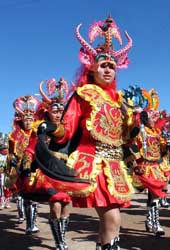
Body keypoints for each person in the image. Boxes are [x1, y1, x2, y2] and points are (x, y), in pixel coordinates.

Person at [41, 16, 135, 250]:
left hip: (114, 166)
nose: (107, 70)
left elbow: (124, 136)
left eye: (112, 66)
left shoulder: (119, 101)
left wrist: (135, 125)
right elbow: (67, 130)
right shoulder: (83, 94)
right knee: (112, 218)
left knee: (110, 221)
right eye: (103, 65)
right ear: (91, 67)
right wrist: (52, 128)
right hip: (92, 163)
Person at [22, 78, 72, 249]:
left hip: (66, 171)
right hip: (50, 172)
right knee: (56, 204)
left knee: (66, 205)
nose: (58, 113)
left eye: (61, 110)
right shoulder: (41, 128)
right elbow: (30, 148)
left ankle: (62, 238)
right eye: (54, 110)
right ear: (47, 111)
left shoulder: (69, 128)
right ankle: (59, 242)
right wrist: (27, 164)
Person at [130, 89, 169, 236]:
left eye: (155, 116)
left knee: (156, 196)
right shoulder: (140, 131)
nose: (155, 118)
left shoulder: (157, 132)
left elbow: (162, 151)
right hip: (143, 167)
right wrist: (136, 163)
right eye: (152, 116)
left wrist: (166, 146)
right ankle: (152, 222)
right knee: (135, 194)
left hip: (155, 167)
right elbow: (132, 145)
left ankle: (153, 222)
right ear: (145, 118)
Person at [6, 95, 41, 233]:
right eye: (26, 119)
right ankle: (29, 224)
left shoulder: (38, 133)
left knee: (34, 198)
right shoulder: (14, 135)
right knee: (26, 197)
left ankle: (33, 223)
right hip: (21, 169)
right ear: (21, 120)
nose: (28, 122)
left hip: (36, 168)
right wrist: (12, 163)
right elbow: (10, 153)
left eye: (31, 119)